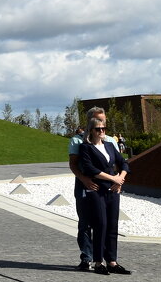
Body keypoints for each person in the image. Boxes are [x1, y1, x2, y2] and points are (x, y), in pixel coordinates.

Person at [77, 118, 131, 275]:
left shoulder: (109, 145)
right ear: (91, 131)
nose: (102, 131)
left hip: (113, 191)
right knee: (100, 224)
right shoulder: (86, 147)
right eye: (98, 129)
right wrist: (113, 178)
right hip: (97, 191)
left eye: (103, 128)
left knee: (113, 225)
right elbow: (89, 169)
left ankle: (112, 262)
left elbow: (124, 163)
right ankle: (98, 262)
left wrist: (121, 178)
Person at [69, 106, 116, 270]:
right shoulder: (77, 140)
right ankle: (86, 258)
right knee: (85, 223)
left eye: (103, 120)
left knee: (105, 223)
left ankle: (105, 259)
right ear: (90, 121)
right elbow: (74, 165)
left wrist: (117, 181)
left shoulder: (110, 140)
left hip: (105, 188)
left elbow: (116, 164)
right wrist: (84, 179)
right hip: (84, 186)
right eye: (98, 119)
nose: (101, 123)